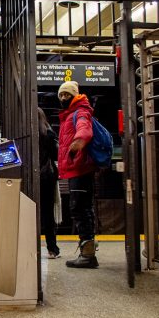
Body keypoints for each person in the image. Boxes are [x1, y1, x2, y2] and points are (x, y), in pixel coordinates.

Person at [57, 81, 98, 268]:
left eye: (67, 94)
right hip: (77, 168)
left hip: (80, 168)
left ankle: (88, 255)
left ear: (75, 95)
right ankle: (87, 253)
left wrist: (79, 141)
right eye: (61, 95)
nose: (64, 98)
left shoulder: (80, 111)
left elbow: (84, 128)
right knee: (82, 208)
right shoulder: (69, 114)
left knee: (80, 209)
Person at [38, 107, 60, 259]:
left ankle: (28, 247)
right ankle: (52, 249)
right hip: (47, 177)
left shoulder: (26, 135)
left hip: (29, 177)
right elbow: (56, 155)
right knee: (47, 214)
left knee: (28, 212)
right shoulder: (50, 134)